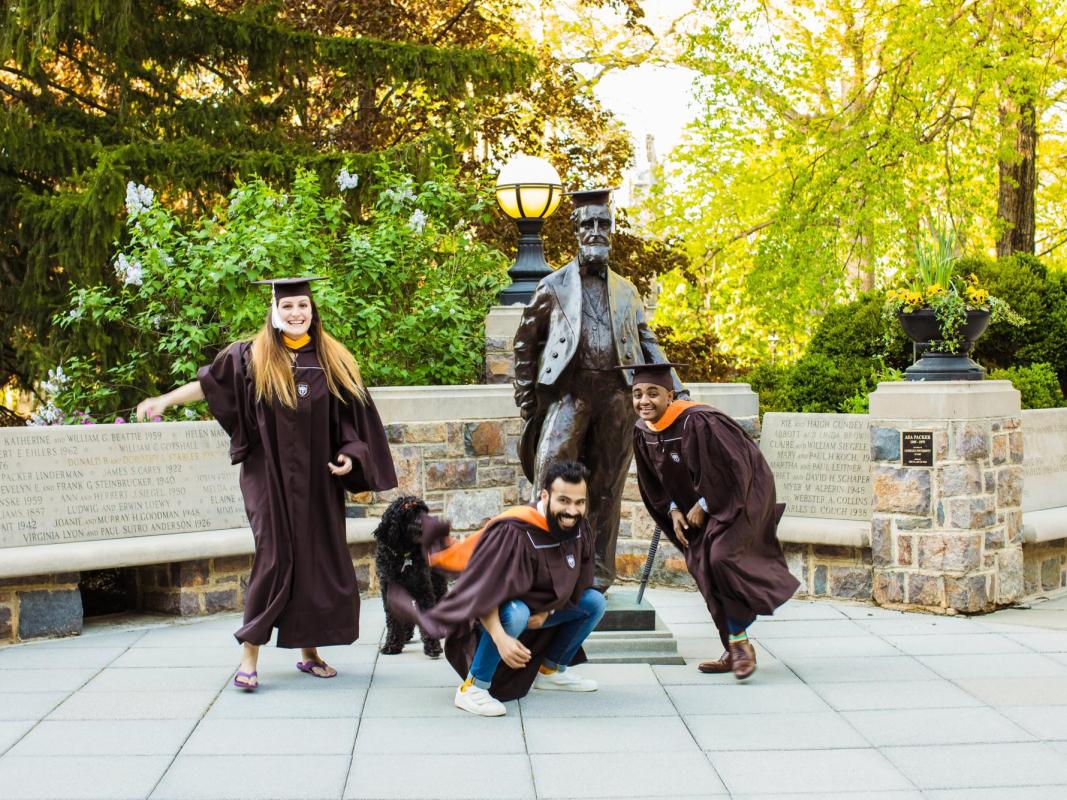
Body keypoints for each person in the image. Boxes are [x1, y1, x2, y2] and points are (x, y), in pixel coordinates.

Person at [136, 276, 397, 690]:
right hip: (267, 474)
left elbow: (352, 419)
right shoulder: (251, 357)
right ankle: (250, 654)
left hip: (316, 479)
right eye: (289, 306)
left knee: (314, 557)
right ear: (275, 311)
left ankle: (309, 652)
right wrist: (163, 401)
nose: (297, 314)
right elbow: (207, 386)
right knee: (274, 555)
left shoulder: (333, 360)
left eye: (303, 306)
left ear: (313, 311)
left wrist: (351, 453)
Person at [514, 188, 685, 590]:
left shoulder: (627, 290)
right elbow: (525, 342)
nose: (596, 231)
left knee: (606, 488)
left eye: (603, 224)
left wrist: (676, 390)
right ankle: (543, 572)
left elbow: (647, 342)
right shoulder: (553, 286)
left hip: (616, 399)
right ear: (575, 232)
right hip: (569, 395)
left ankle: (597, 575)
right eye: (587, 224)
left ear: (612, 230)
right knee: (550, 480)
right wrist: (527, 401)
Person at [387, 460, 606, 717]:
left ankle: (551, 671)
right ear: (545, 496)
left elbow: (578, 582)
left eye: (579, 502)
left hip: (542, 613)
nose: (572, 511)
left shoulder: (578, 527)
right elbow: (484, 591)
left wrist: (548, 613)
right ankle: (473, 687)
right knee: (517, 613)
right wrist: (501, 639)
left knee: (594, 602)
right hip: (494, 614)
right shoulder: (515, 531)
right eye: (564, 501)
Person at [625, 363, 799, 679]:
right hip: (694, 509)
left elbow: (733, 469)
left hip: (739, 499)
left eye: (653, 393)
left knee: (721, 558)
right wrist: (675, 510)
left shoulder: (698, 421)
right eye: (637, 394)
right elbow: (656, 482)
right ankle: (736, 646)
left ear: (670, 394)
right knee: (704, 568)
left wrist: (704, 504)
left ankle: (739, 645)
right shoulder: (643, 432)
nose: (644, 401)